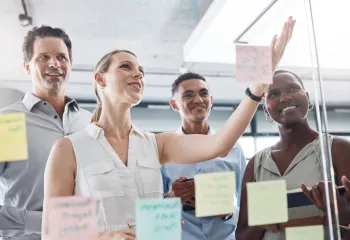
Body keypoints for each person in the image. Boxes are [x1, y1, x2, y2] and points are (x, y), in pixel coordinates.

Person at [41, 17, 295, 240]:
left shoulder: (156, 144)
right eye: (126, 67)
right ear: (100, 79)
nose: (138, 74)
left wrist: (257, 89)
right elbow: (53, 234)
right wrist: (104, 237)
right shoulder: (69, 149)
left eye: (141, 71)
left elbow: (220, 145)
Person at [0, 26, 92, 240]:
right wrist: (47, 222)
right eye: (43, 57)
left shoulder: (89, 122)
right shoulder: (7, 123)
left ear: (70, 65)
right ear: (27, 67)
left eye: (62, 57)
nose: (54, 63)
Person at [235, 70, 350, 240]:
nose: (284, 98)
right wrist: (265, 220)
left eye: (292, 89)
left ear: (308, 97)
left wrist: (340, 213)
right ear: (266, 111)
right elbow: (242, 235)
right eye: (273, 94)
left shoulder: (338, 149)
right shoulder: (256, 164)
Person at [161, 72, 246, 240]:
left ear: (211, 100)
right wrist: (171, 198)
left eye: (203, 93)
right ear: (174, 104)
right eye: (188, 95)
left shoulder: (233, 148)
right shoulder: (163, 150)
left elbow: (248, 207)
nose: (198, 99)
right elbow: (149, 213)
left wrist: (226, 211)